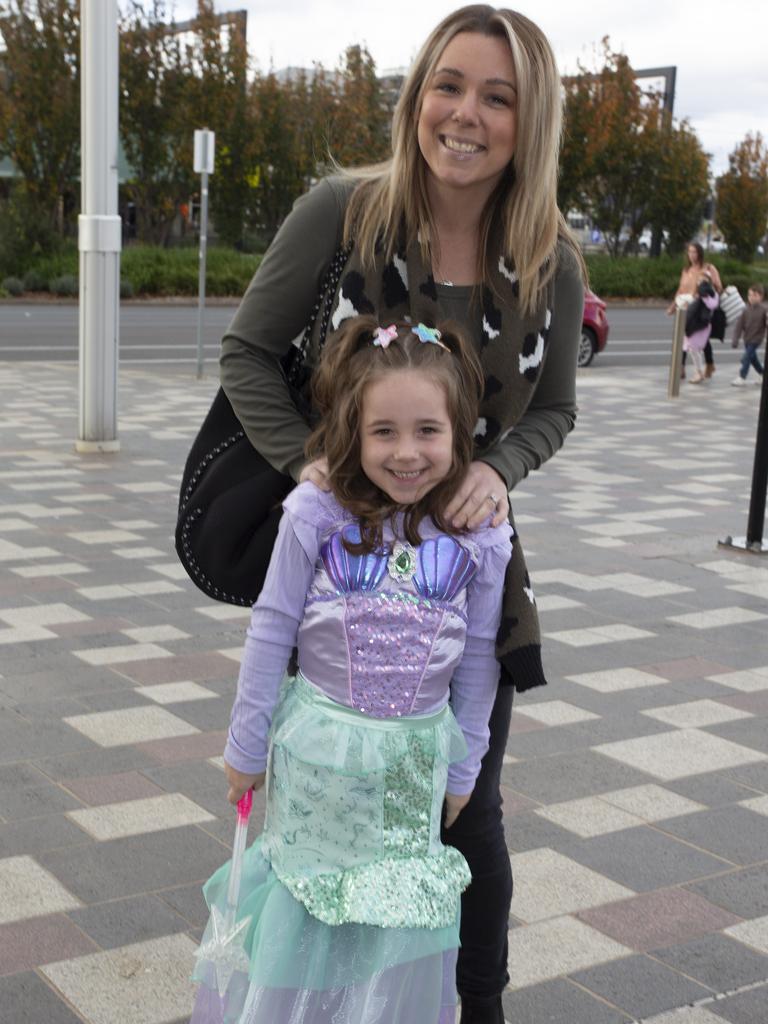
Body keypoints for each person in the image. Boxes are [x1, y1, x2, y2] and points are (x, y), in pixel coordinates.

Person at [218, 7, 585, 1020]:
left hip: (465, 590)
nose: (467, 114)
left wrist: (501, 466)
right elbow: (247, 351)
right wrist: (321, 467)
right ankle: (317, 997)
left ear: (529, 119)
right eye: (450, 86)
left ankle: (468, 1006)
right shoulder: (347, 212)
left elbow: (554, 407)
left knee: (468, 817)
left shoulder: (548, 253)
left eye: (498, 96)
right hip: (340, 592)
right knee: (325, 819)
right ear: (418, 94)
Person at [191, 318, 514, 1024]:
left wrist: (465, 771)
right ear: (352, 431)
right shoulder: (315, 514)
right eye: (384, 433)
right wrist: (245, 748)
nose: (406, 453)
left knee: (391, 916)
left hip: (411, 771)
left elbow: (482, 660)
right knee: (312, 909)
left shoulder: (480, 536)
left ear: (460, 434)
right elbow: (272, 629)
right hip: (319, 766)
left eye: (427, 431)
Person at [667, 242, 723, 379]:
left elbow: (718, 287)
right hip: (686, 308)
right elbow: (681, 290)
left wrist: (703, 294)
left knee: (698, 338)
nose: (692, 255)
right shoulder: (686, 270)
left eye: (695, 252)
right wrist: (673, 306)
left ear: (700, 253)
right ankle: (682, 368)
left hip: (700, 309)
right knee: (685, 336)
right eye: (690, 252)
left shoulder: (708, 268)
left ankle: (707, 365)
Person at [683, 275, 719, 384]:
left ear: (709, 282)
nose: (700, 282)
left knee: (694, 349)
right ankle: (703, 370)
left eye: (704, 281)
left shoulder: (711, 294)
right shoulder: (697, 294)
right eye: (699, 280)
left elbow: (712, 305)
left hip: (702, 326)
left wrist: (705, 296)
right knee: (692, 349)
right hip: (693, 325)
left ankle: (699, 372)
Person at [730, 283, 767, 386]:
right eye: (750, 295)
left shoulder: (764, 310)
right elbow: (739, 326)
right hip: (747, 339)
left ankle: (742, 377)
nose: (751, 298)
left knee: (746, 357)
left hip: (756, 339)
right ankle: (762, 373)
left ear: (761, 296)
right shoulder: (745, 310)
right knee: (753, 359)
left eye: (754, 295)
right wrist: (735, 340)